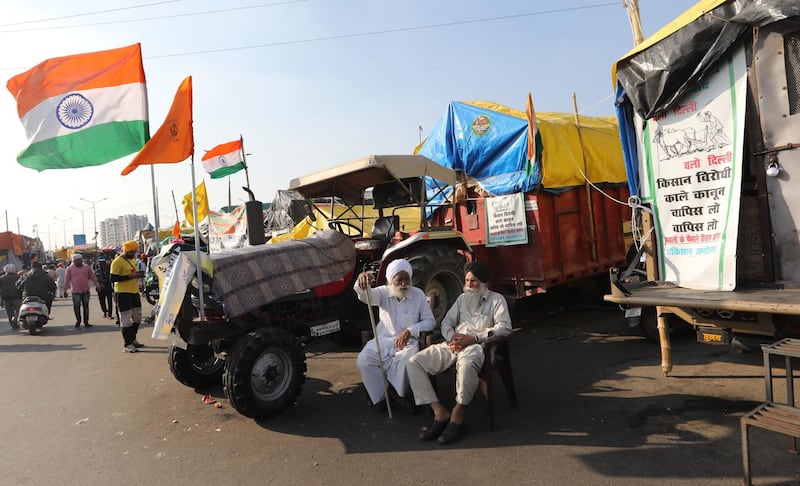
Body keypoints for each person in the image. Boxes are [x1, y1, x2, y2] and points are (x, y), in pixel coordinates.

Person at [407, 261, 511, 444]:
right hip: (454, 345)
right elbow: (447, 322)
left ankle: (458, 412)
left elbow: (505, 328)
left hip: (478, 347)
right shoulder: (462, 299)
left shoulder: (496, 300)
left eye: (474, 281)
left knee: (466, 365)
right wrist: (452, 338)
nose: (469, 285)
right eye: (467, 280)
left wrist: (475, 338)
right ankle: (440, 412)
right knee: (414, 362)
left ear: (483, 283)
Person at [354, 258, 435, 412]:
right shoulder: (383, 293)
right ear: (391, 280)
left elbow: (430, 322)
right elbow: (365, 295)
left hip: (408, 343)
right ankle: (387, 397)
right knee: (363, 361)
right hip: (383, 342)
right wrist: (361, 281)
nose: (404, 283)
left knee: (407, 361)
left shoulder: (417, 294)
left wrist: (411, 330)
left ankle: (396, 395)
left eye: (407, 279)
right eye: (400, 280)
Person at [111, 241, 145, 353]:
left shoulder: (133, 260)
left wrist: (138, 277)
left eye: (135, 252)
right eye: (131, 252)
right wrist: (130, 276)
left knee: (137, 318)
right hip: (122, 293)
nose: (134, 254)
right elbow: (113, 278)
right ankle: (128, 344)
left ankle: (132, 338)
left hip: (134, 292)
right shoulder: (117, 261)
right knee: (126, 320)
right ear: (126, 251)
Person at [64, 253, 99, 328]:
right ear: (73, 261)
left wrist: (97, 285)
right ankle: (78, 321)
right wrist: (65, 290)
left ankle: (86, 322)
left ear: (81, 260)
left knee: (86, 307)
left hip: (85, 290)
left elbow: (93, 277)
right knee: (76, 307)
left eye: (79, 260)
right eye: (76, 261)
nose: (78, 262)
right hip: (75, 291)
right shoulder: (70, 269)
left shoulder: (87, 267)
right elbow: (67, 280)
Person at [0, 264, 23, 329]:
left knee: (9, 312)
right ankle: (15, 319)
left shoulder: (2, 278)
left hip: (6, 298)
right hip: (17, 297)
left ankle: (13, 324)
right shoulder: (18, 277)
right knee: (18, 310)